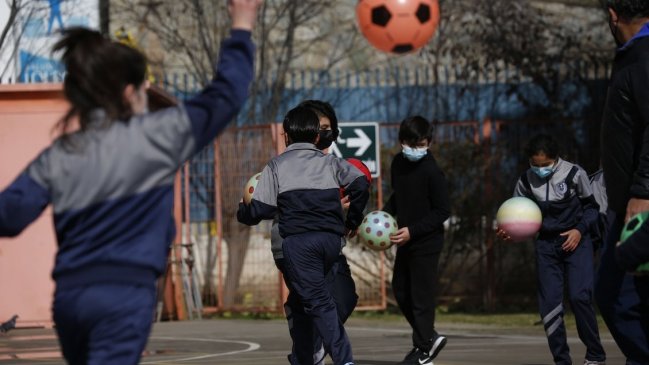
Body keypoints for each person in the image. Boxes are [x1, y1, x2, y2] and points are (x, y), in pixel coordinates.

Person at [0, 1, 261, 363]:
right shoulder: (158, 136)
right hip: (123, 295)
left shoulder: (59, 155)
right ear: (128, 92)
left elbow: (9, 216)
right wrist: (242, 22)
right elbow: (226, 94)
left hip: (70, 299)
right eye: (143, 85)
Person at [238, 105, 370, 365]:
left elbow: (261, 209)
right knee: (307, 302)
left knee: (321, 304)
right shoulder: (329, 162)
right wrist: (353, 218)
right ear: (317, 136)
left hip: (299, 245)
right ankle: (304, 357)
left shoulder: (277, 165)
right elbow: (360, 183)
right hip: (331, 242)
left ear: (286, 135)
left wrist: (243, 212)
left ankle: (344, 360)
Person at [498, 134, 606, 365]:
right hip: (546, 245)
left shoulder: (575, 174)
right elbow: (517, 215)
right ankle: (561, 360)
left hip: (577, 241)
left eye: (545, 165)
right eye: (534, 165)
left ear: (556, 159)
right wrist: (509, 232)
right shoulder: (525, 181)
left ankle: (595, 355)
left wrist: (579, 230)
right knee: (550, 306)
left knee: (579, 297)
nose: (540, 170)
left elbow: (592, 209)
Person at [598, 2, 649, 363]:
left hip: (640, 205)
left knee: (616, 294)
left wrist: (643, 191)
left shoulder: (643, 58)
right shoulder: (633, 56)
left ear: (613, 15)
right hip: (629, 201)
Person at [383, 116, 451, 365]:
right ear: (402, 142)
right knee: (401, 290)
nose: (416, 150)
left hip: (426, 242)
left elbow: (443, 211)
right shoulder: (398, 163)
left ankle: (423, 350)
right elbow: (398, 197)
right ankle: (428, 337)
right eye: (412, 144)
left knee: (421, 297)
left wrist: (413, 230)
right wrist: (381, 217)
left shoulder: (432, 171)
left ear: (429, 142)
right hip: (405, 241)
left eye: (422, 144)